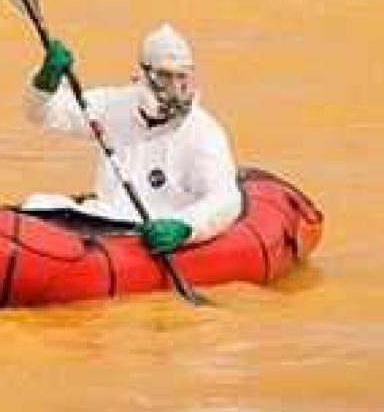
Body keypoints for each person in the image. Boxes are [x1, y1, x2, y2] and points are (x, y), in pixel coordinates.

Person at [21, 23, 243, 254]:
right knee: (38, 203)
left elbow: (225, 198)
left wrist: (185, 226)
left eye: (182, 77)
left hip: (153, 232)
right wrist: (45, 81)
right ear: (145, 74)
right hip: (105, 220)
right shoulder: (114, 105)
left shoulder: (203, 132)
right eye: (165, 77)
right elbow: (44, 115)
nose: (175, 88)